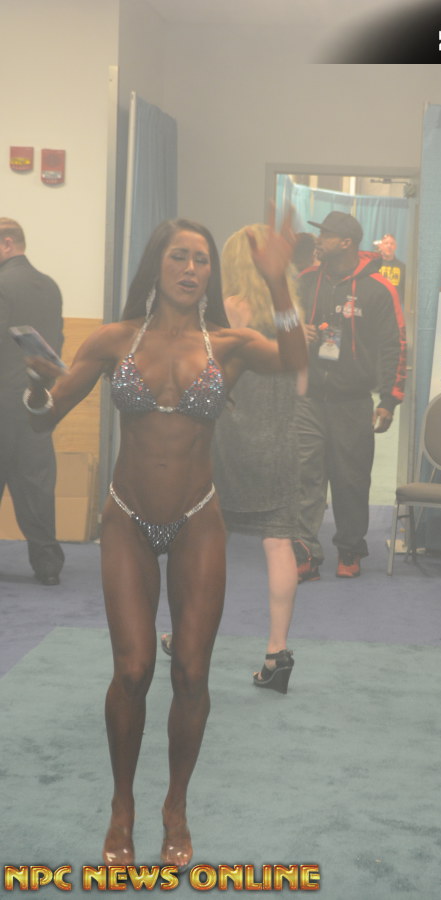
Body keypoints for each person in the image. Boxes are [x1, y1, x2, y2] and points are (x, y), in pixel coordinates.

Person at [23, 215, 306, 868]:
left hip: (197, 518)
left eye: (201, 260)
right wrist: (38, 386)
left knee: (191, 673)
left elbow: (295, 361)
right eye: (179, 257)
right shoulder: (113, 339)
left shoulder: (230, 343)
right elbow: (44, 420)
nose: (190, 269)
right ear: (156, 264)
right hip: (126, 517)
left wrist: (277, 283)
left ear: (211, 272)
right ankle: (122, 806)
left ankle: (175, 807)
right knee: (133, 670)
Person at [162, 223, 304, 694]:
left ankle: (185, 634)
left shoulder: (224, 310)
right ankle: (277, 652)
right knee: (279, 544)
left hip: (225, 438)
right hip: (280, 438)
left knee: (203, 540)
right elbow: (301, 376)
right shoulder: (290, 311)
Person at [293, 211, 406, 581]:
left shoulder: (378, 288)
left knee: (351, 480)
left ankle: (350, 549)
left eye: (325, 234)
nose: (318, 240)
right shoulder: (306, 281)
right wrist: (294, 329)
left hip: (353, 401)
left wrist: (389, 400)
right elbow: (274, 320)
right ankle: (305, 552)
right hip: (308, 398)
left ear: (345, 242)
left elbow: (394, 345)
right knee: (305, 476)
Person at [0, 218, 65, 585]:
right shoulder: (50, 286)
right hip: (35, 399)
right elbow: (57, 343)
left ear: (7, 244)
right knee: (37, 484)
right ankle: (48, 566)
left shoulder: (1, 284)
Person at [376, 233, 405, 302]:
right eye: (386, 243)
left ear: (395, 247)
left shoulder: (402, 267)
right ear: (381, 246)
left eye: (392, 244)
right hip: (377, 304)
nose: (389, 246)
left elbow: (404, 291)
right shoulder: (374, 265)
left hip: (395, 305)